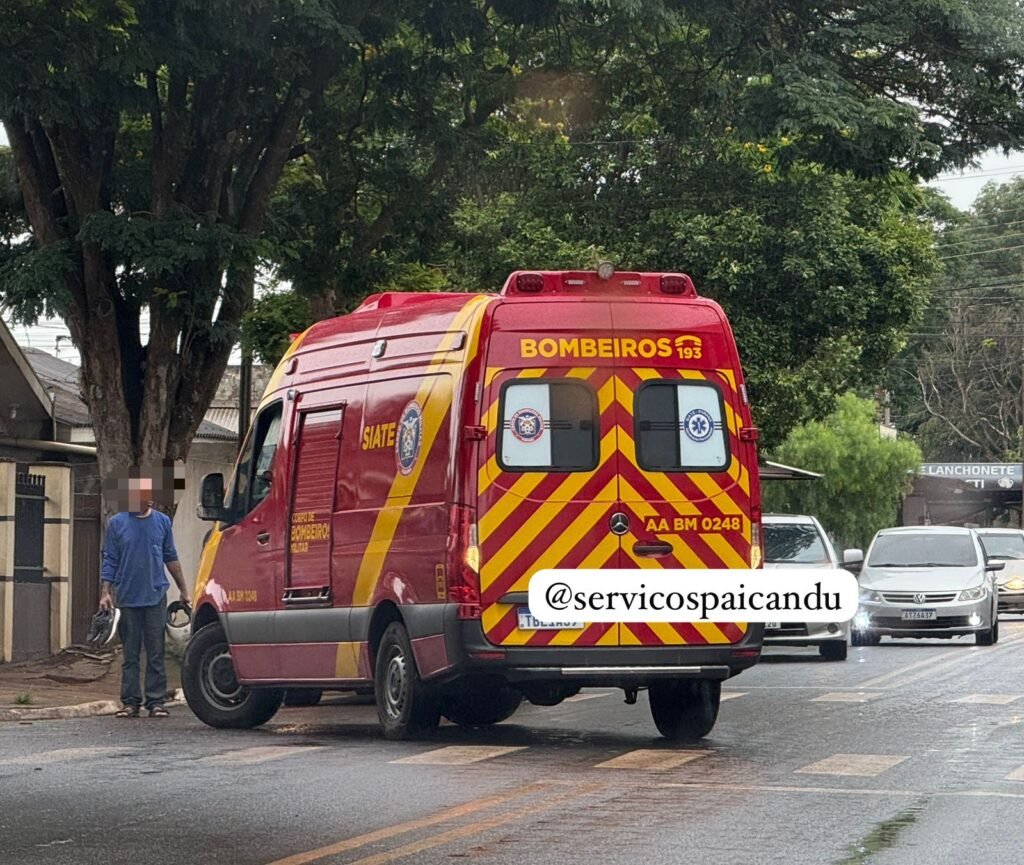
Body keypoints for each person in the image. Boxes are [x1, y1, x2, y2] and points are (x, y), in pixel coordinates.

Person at [100, 472, 191, 718]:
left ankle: (155, 701)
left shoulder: (162, 522)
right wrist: (105, 592)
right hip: (127, 597)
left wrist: (183, 590)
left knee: (156, 652)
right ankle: (130, 702)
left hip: (155, 596)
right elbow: (110, 559)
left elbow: (171, 557)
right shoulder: (117, 523)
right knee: (130, 654)